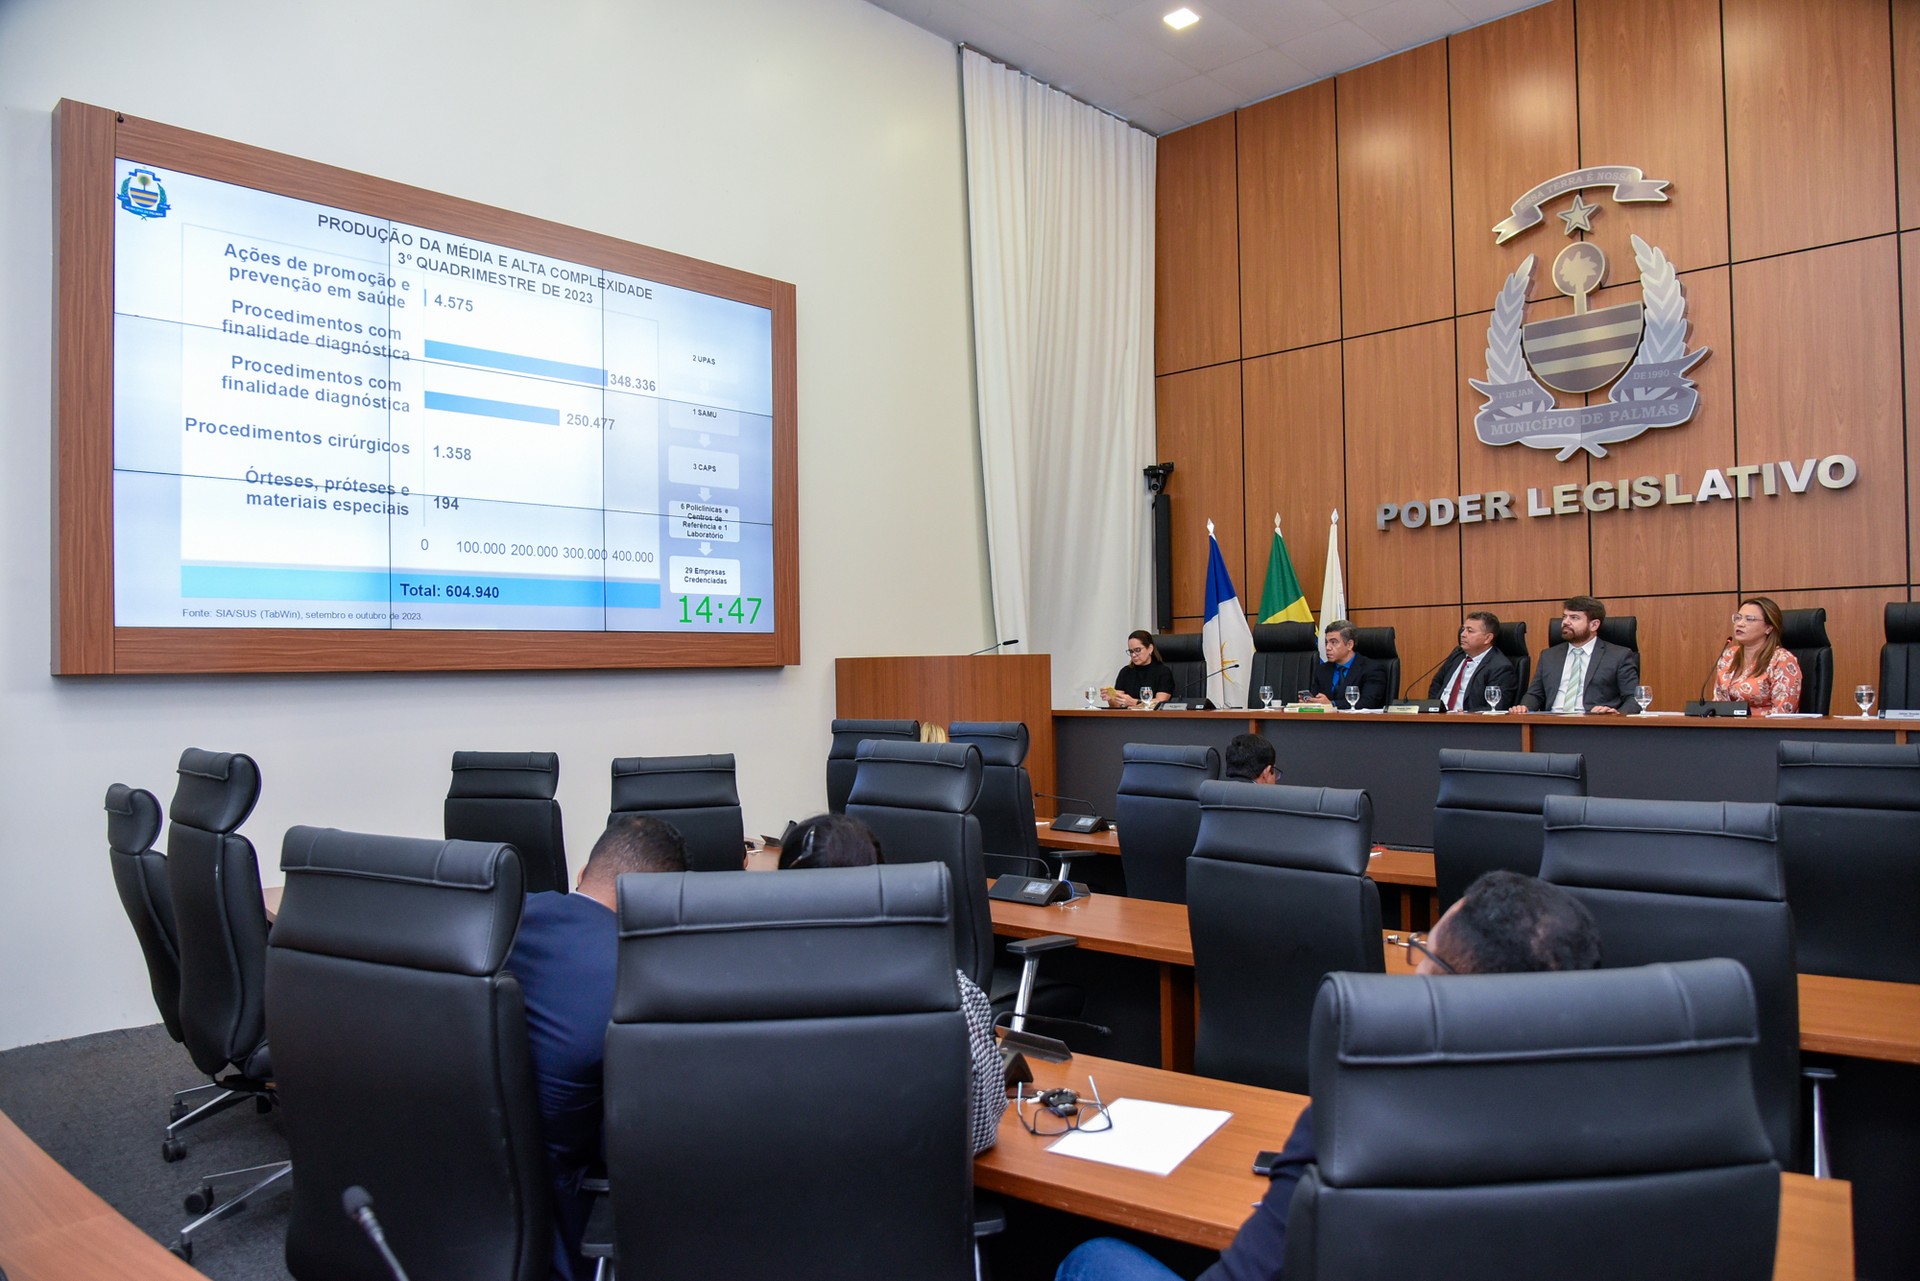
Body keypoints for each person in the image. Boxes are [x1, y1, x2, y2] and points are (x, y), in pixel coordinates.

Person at [1054, 871, 1601, 1281]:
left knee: (1092, 1259)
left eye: (1421, 955)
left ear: (1445, 985)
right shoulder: (1626, 1130)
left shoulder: (1357, 1115)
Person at [506, 815, 689, 1281]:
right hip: (563, 1208)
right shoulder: (641, 978)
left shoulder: (502, 916)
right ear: (658, 902)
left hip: (458, 1180)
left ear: (582, 873)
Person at [778, 813, 1007, 1155]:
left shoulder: (738, 997)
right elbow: (981, 1131)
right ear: (884, 886)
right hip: (909, 1200)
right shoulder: (949, 991)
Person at [1518, 595, 1637, 714]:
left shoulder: (1618, 656)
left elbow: (1633, 698)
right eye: (1564, 617)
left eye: (1574, 618)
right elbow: (1535, 694)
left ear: (1594, 625)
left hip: (1593, 724)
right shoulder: (1548, 655)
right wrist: (1524, 707)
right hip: (1552, 723)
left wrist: (1616, 716)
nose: (1565, 622)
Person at [1710, 596, 1802, 715]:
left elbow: (1782, 713)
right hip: (1728, 730)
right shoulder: (1729, 656)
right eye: (1738, 618)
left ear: (1768, 628)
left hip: (1765, 731)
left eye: (1750, 619)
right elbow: (1718, 704)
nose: (1740, 624)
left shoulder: (1782, 660)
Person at [1427, 610, 1519, 713]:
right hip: (1439, 719)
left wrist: (1466, 714)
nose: (1463, 634)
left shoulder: (1500, 667)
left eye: (1470, 631)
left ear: (1487, 638)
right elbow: (1436, 684)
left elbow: (1494, 708)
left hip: (1468, 724)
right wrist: (1434, 709)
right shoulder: (1457, 655)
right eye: (1463, 629)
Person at [1304, 620, 1387, 709]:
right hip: (1325, 722)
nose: (1327, 648)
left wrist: (1332, 704)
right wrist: (1310, 701)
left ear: (1349, 645)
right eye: (1326, 642)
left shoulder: (1372, 669)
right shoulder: (1322, 670)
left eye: (1333, 642)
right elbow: (1316, 697)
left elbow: (1368, 702)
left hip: (1357, 721)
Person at [1105, 630, 1175, 709]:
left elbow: (1159, 702)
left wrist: (1135, 702)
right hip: (1127, 718)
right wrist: (1110, 699)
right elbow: (1117, 705)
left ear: (1150, 649)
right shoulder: (1125, 672)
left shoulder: (1163, 672)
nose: (1133, 655)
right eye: (1131, 651)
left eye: (1137, 650)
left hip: (1153, 719)